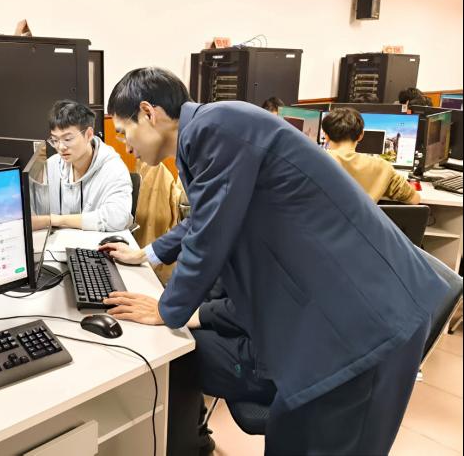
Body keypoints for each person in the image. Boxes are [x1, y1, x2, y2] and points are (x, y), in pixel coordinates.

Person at [99, 67, 449, 454]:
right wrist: (147, 253)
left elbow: (208, 237)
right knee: (290, 437)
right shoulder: (209, 134)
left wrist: (168, 310)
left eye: (123, 131)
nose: (124, 144)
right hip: (334, 321)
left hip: (365, 327)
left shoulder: (215, 128)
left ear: (148, 113)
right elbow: (207, 216)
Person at [45, 100, 132, 231]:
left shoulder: (114, 168)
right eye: (55, 140)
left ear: (89, 134)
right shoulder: (52, 165)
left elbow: (118, 218)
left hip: (97, 241)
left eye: (68, 139)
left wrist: (57, 220)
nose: (61, 147)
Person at [322, 107, 420, 204]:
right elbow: (415, 199)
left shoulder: (317, 162)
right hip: (360, 215)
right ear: (361, 135)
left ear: (326, 136)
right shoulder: (383, 168)